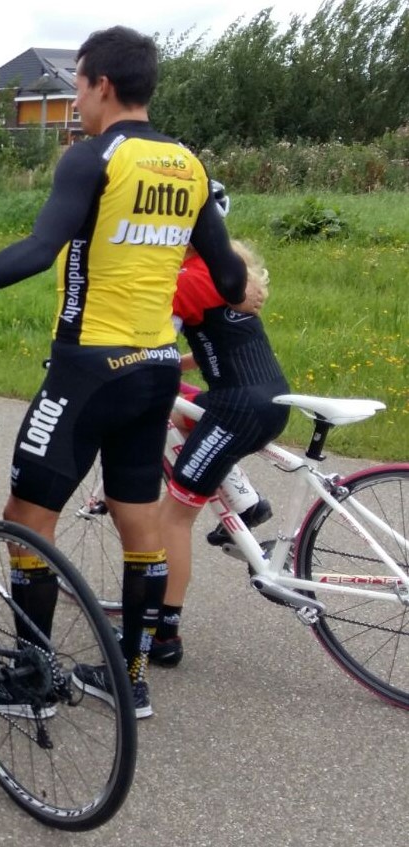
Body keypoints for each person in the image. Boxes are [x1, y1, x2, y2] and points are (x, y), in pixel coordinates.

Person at [0, 26, 254, 719]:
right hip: (157, 367)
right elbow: (227, 276)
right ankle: (129, 681)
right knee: (141, 525)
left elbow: (41, 250)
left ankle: (32, 680)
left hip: (89, 368)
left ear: (101, 84)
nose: (77, 100)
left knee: (25, 518)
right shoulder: (188, 164)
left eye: (77, 86)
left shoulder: (94, 158)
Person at [155, 230, 288, 666]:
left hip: (237, 410)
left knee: (171, 518)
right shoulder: (225, 273)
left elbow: (149, 335)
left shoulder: (189, 279)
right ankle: (246, 503)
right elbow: (218, 344)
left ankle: (164, 636)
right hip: (264, 399)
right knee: (184, 411)